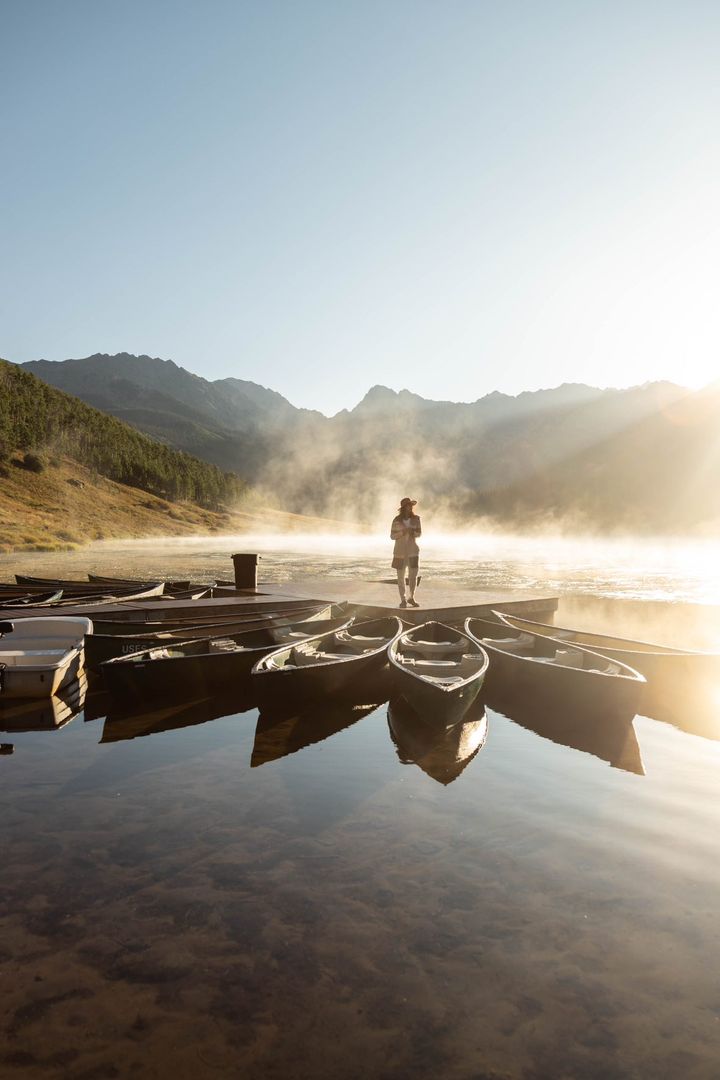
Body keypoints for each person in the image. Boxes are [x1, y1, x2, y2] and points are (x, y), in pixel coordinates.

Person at [390, 497, 422, 608]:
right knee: (400, 577)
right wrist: (402, 532)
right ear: (403, 508)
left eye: (411, 506)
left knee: (413, 576)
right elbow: (392, 536)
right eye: (408, 506)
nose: (410, 507)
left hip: (413, 551)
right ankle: (403, 599)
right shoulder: (396, 520)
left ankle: (411, 597)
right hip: (399, 552)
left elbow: (419, 533)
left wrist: (412, 532)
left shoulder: (416, 519)